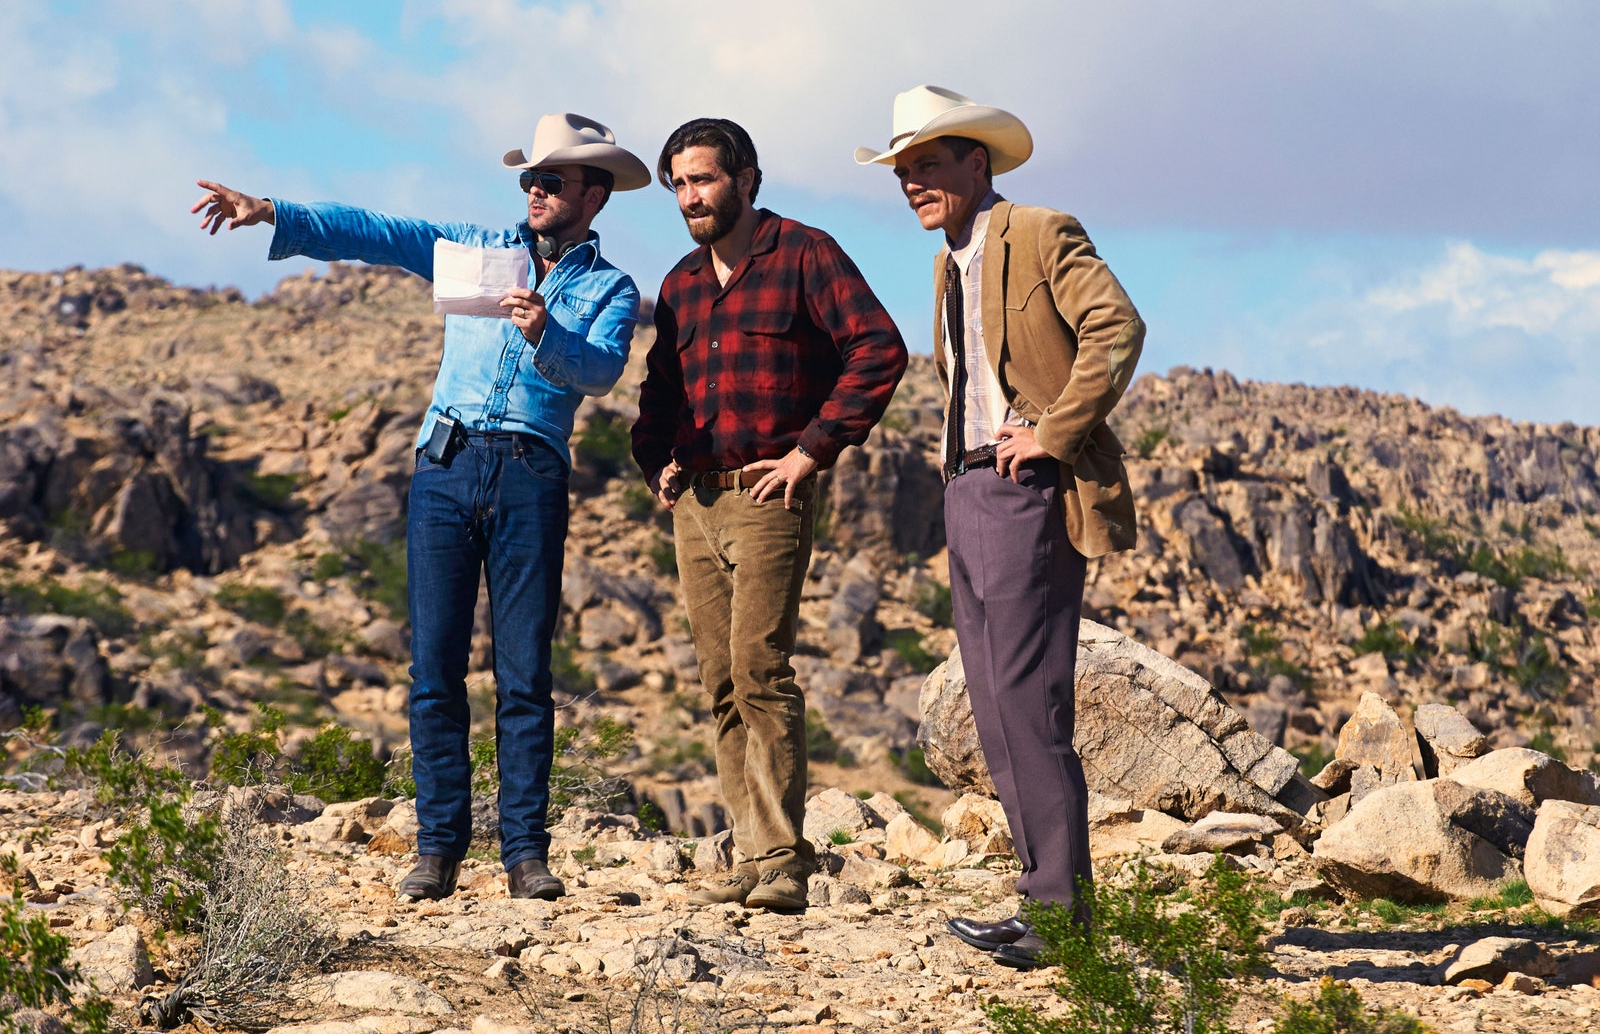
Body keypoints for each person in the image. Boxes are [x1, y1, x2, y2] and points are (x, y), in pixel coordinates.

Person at [191, 113, 652, 902]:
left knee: (523, 674)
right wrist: (272, 211)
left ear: (594, 194)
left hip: (531, 475)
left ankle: (524, 854)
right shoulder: (479, 248)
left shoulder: (612, 287)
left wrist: (548, 336)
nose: (535, 190)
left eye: (552, 180)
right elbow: (380, 232)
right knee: (434, 667)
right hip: (445, 463)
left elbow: (602, 371)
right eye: (530, 179)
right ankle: (438, 848)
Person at [856, 86, 1145, 967]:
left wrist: (1051, 431)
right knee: (993, 706)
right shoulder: (948, 262)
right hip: (967, 489)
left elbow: (1117, 326)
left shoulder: (1043, 230)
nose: (913, 184)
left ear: (977, 163)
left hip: (1031, 489)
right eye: (904, 172)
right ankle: (1042, 904)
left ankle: (1061, 915)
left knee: (1029, 702)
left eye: (929, 166)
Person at [633, 118, 907, 913]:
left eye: (704, 179)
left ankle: (785, 857)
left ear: (747, 179)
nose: (691, 196)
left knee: (760, 668)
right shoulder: (682, 283)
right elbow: (656, 394)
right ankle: (751, 855)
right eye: (679, 184)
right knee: (720, 681)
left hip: (767, 496)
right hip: (698, 502)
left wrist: (812, 451)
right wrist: (659, 463)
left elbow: (877, 348)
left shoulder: (803, 252)